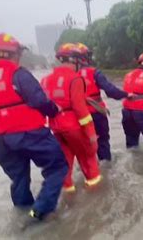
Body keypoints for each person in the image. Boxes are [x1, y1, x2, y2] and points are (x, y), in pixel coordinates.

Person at [0, 33, 68, 221]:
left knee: (19, 178)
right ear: (15, 53)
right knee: (58, 167)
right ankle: (38, 212)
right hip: (29, 133)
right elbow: (39, 100)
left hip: (1, 139)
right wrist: (54, 110)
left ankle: (23, 215)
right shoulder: (19, 74)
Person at [41, 43, 101, 193]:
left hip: (55, 127)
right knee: (88, 157)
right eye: (79, 60)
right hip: (73, 126)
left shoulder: (45, 80)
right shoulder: (75, 79)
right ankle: (96, 193)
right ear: (74, 60)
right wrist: (91, 134)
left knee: (65, 160)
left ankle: (69, 193)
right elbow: (80, 109)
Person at [76, 43, 130, 161]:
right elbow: (110, 91)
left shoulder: (70, 75)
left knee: (84, 146)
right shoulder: (95, 72)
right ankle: (106, 168)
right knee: (103, 142)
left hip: (78, 116)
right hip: (96, 113)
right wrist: (126, 95)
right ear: (86, 57)